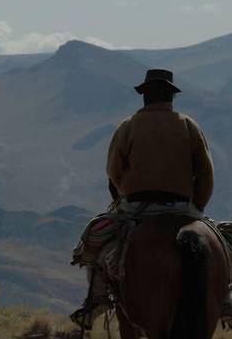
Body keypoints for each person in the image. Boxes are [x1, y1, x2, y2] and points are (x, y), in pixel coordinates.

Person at [69, 69, 230, 329]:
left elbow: (113, 170)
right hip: (182, 206)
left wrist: (124, 193)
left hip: (135, 206)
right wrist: (196, 207)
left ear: (145, 96)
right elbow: (205, 173)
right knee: (223, 241)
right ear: (171, 96)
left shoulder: (128, 126)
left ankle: (97, 301)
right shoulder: (189, 126)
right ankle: (225, 298)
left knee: (95, 242)